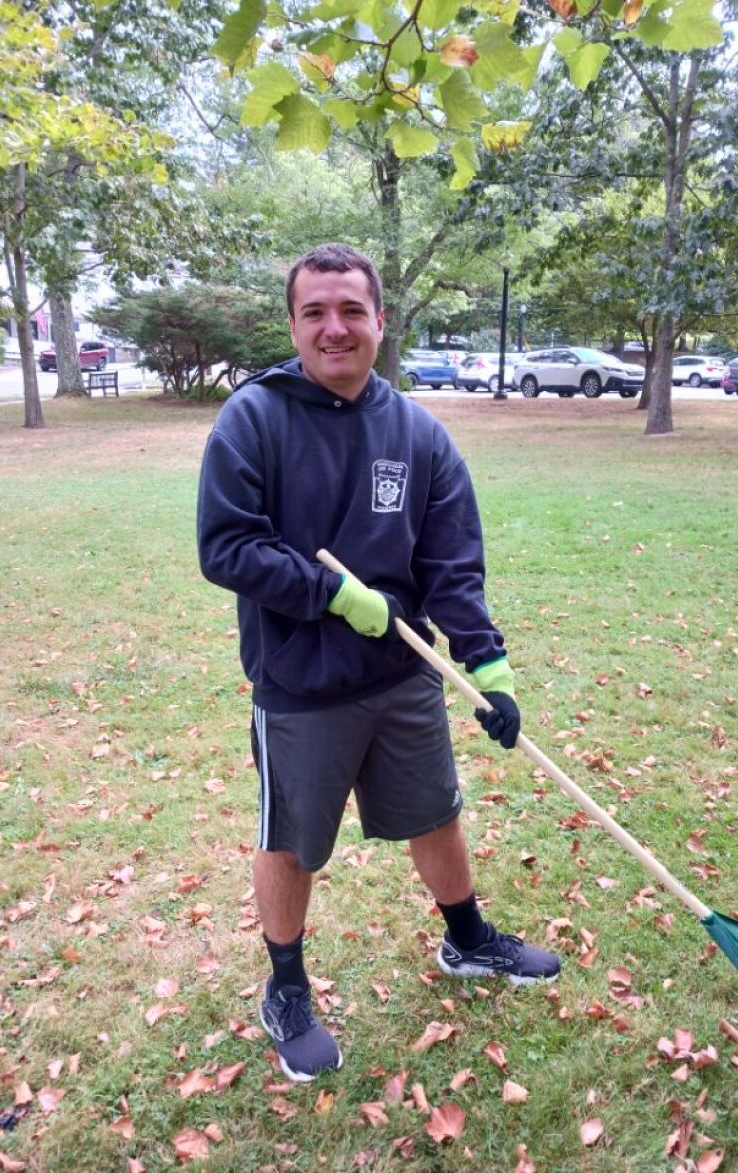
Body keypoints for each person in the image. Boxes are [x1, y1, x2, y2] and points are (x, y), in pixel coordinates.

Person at [197, 243, 560, 1083]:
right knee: (290, 840)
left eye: (351, 310)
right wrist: (335, 599)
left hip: (402, 676)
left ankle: (467, 939)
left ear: (379, 321)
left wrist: (489, 664)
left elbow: (450, 565)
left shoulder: (417, 432)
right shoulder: (254, 418)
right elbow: (226, 547)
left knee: (436, 811)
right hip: (300, 683)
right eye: (316, 311)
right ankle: (286, 987)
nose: (335, 327)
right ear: (293, 323)